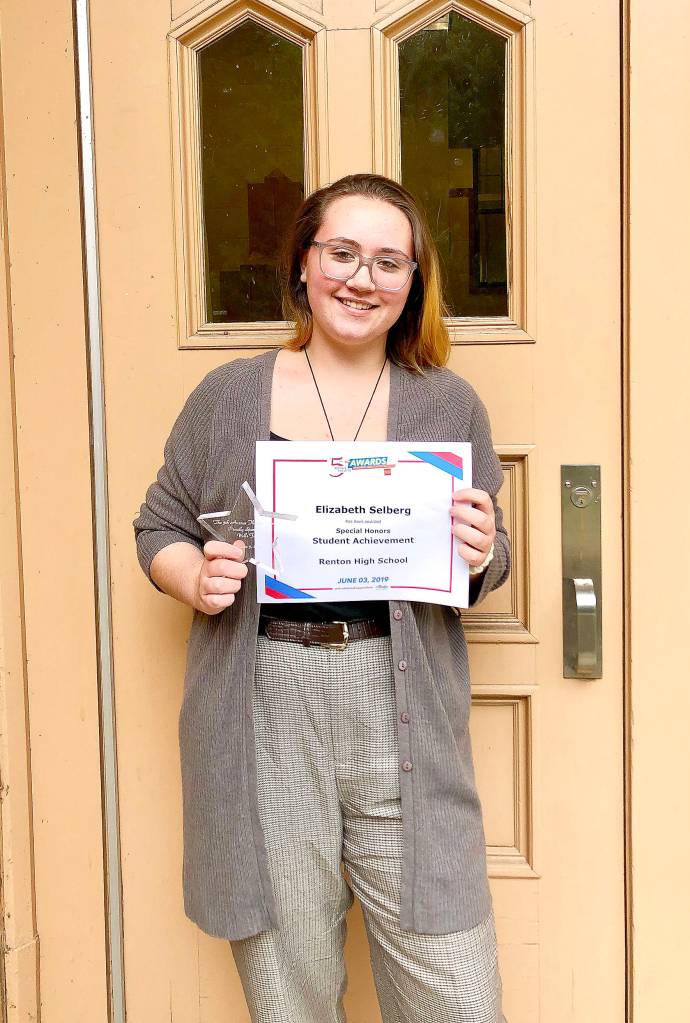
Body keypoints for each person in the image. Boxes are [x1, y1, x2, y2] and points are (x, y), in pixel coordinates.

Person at [133, 173, 510, 1023]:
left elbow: (490, 554)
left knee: (458, 991)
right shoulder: (228, 396)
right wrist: (191, 575)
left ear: (414, 282)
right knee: (289, 984)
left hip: (400, 703)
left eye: (389, 261)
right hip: (264, 701)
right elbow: (159, 525)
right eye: (342, 252)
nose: (362, 278)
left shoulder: (446, 403)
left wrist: (485, 549)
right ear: (303, 263)